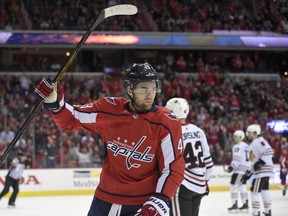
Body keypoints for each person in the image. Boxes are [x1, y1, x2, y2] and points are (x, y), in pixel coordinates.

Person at [34, 63, 185, 216]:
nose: (150, 95)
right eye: (143, 89)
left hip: (143, 204)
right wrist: (56, 104)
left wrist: (160, 198)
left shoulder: (166, 122)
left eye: (153, 88)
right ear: (130, 90)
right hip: (104, 201)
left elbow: (173, 167)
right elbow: (72, 119)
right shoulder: (109, 110)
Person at [165, 98, 213, 216]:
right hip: (199, 185)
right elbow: (208, 161)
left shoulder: (171, 132)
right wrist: (205, 181)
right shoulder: (198, 131)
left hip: (182, 184)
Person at [241, 124, 274, 216]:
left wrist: (260, 163)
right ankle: (268, 211)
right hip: (263, 172)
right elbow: (254, 162)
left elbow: (269, 151)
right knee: (264, 190)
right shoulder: (254, 143)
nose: (248, 135)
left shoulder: (259, 141)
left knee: (254, 191)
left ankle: (256, 213)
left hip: (261, 172)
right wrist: (248, 172)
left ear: (255, 133)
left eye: (249, 133)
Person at [226, 130, 251, 213]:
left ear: (241, 137)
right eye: (234, 136)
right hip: (246, 169)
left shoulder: (237, 146)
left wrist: (231, 167)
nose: (234, 138)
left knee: (233, 186)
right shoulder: (246, 145)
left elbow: (237, 158)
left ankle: (235, 205)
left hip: (239, 170)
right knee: (242, 187)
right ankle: (245, 204)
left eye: (236, 136)